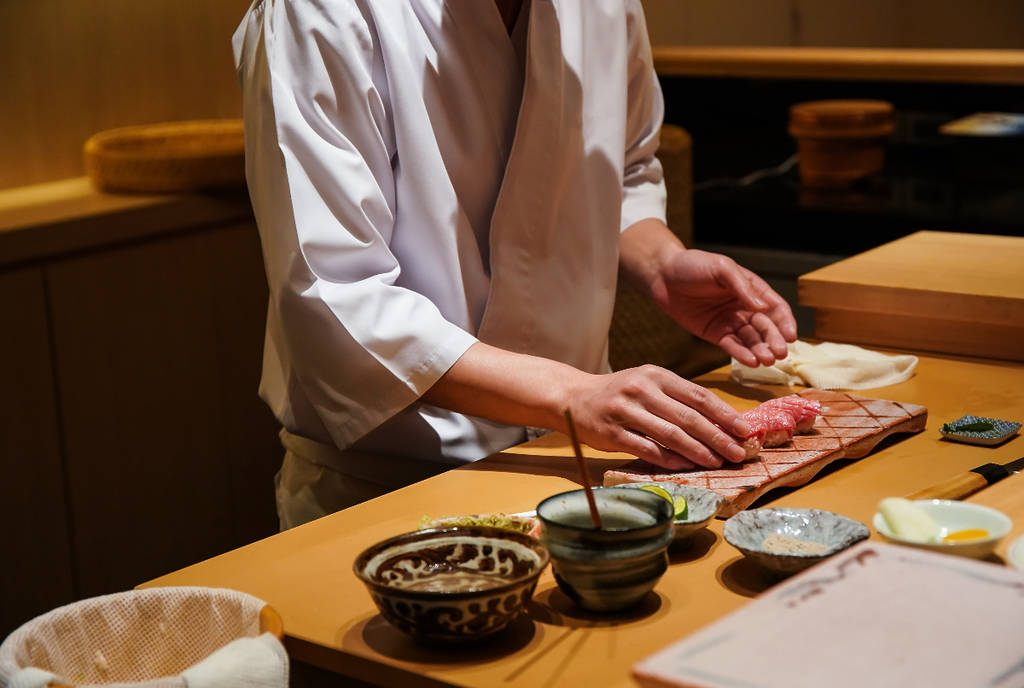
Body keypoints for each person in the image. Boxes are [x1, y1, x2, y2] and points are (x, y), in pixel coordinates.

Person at [232, 0, 797, 530]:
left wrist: (660, 261)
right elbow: (334, 295)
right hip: (390, 485)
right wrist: (573, 395)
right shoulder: (321, 12)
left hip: (578, 467)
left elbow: (624, 166)